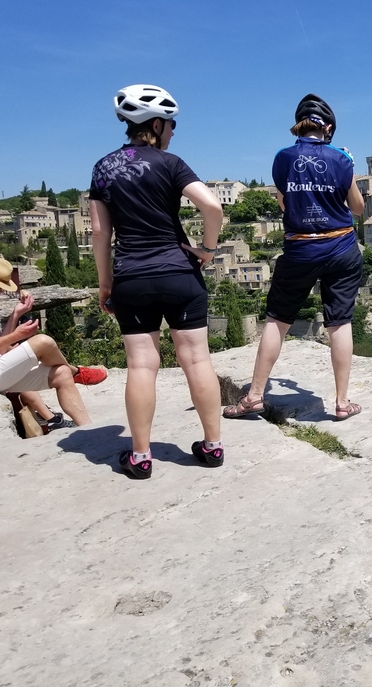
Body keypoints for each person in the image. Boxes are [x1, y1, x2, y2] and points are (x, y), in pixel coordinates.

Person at [89, 84, 225, 480]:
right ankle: (212, 447)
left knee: (141, 366)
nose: (174, 130)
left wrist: (105, 283)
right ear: (155, 124)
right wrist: (208, 249)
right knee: (197, 359)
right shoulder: (171, 163)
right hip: (179, 272)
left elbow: (100, 233)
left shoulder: (102, 167)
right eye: (172, 123)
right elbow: (212, 206)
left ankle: (141, 456)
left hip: (131, 276)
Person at [224, 93, 364, 421]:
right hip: (341, 247)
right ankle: (342, 402)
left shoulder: (282, 158)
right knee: (340, 322)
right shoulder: (342, 158)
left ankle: (254, 396)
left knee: (277, 320)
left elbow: (285, 205)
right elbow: (357, 208)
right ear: (328, 127)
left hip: (301, 248)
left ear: (299, 126)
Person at [0, 255, 106, 426]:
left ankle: (87, 428)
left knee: (61, 374)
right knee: (42, 341)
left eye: (1, 287)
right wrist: (16, 336)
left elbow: (0, 349)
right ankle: (77, 372)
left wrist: (16, 314)